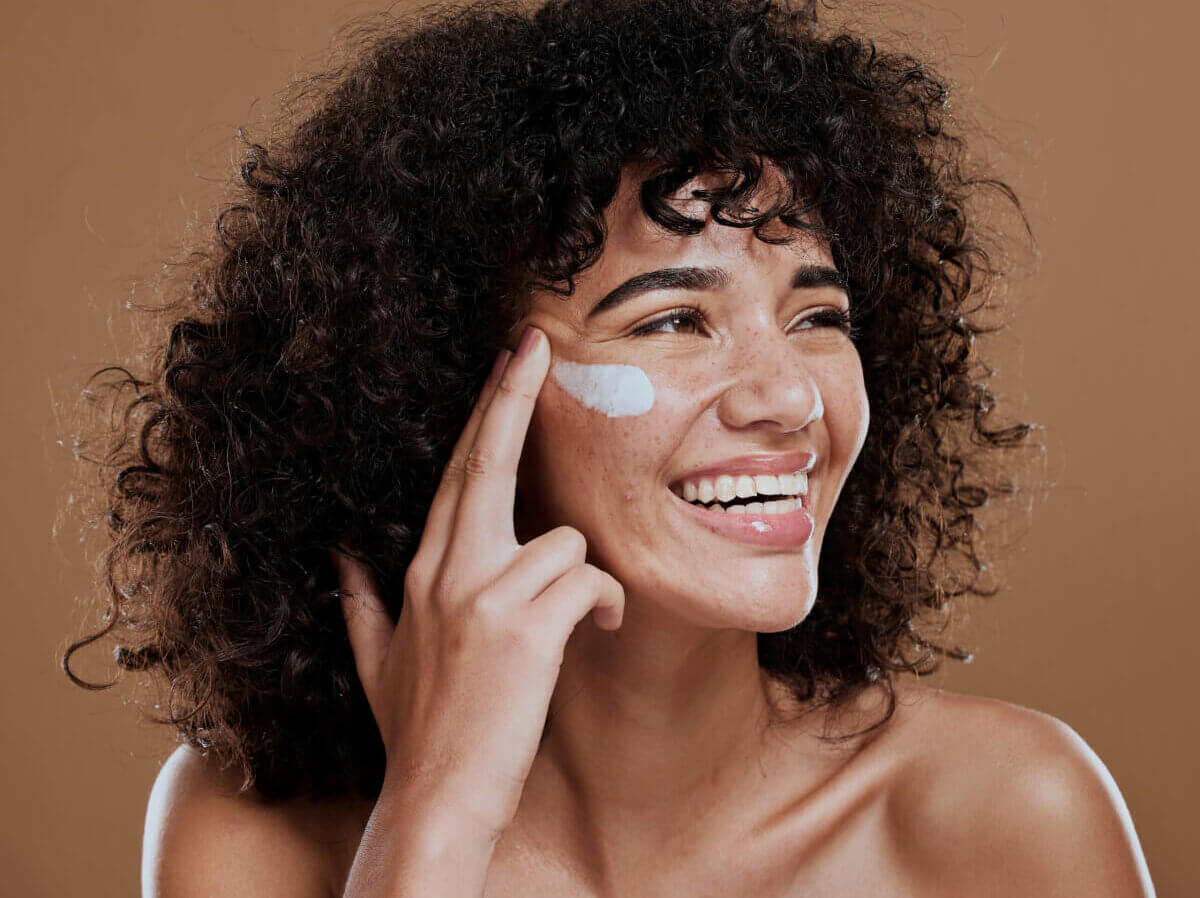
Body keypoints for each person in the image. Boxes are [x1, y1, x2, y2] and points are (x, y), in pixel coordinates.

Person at [62, 0, 1155, 894]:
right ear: (437, 384)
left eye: (817, 316)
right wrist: (434, 817)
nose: (789, 397)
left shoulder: (1005, 819)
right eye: (675, 319)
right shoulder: (252, 833)